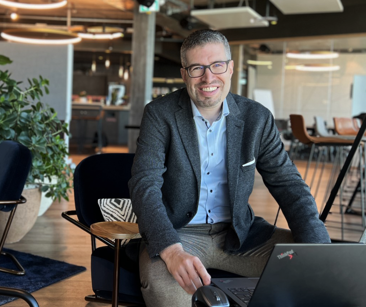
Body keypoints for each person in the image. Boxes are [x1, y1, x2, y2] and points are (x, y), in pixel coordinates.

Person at [128, 29, 330, 307]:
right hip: (178, 235)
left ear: (231, 68)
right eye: (197, 68)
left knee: (311, 270)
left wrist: (319, 250)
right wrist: (171, 250)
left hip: (243, 237)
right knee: (169, 298)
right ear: (184, 73)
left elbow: (289, 185)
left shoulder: (256, 118)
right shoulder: (159, 114)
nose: (208, 78)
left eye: (217, 65)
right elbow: (144, 186)